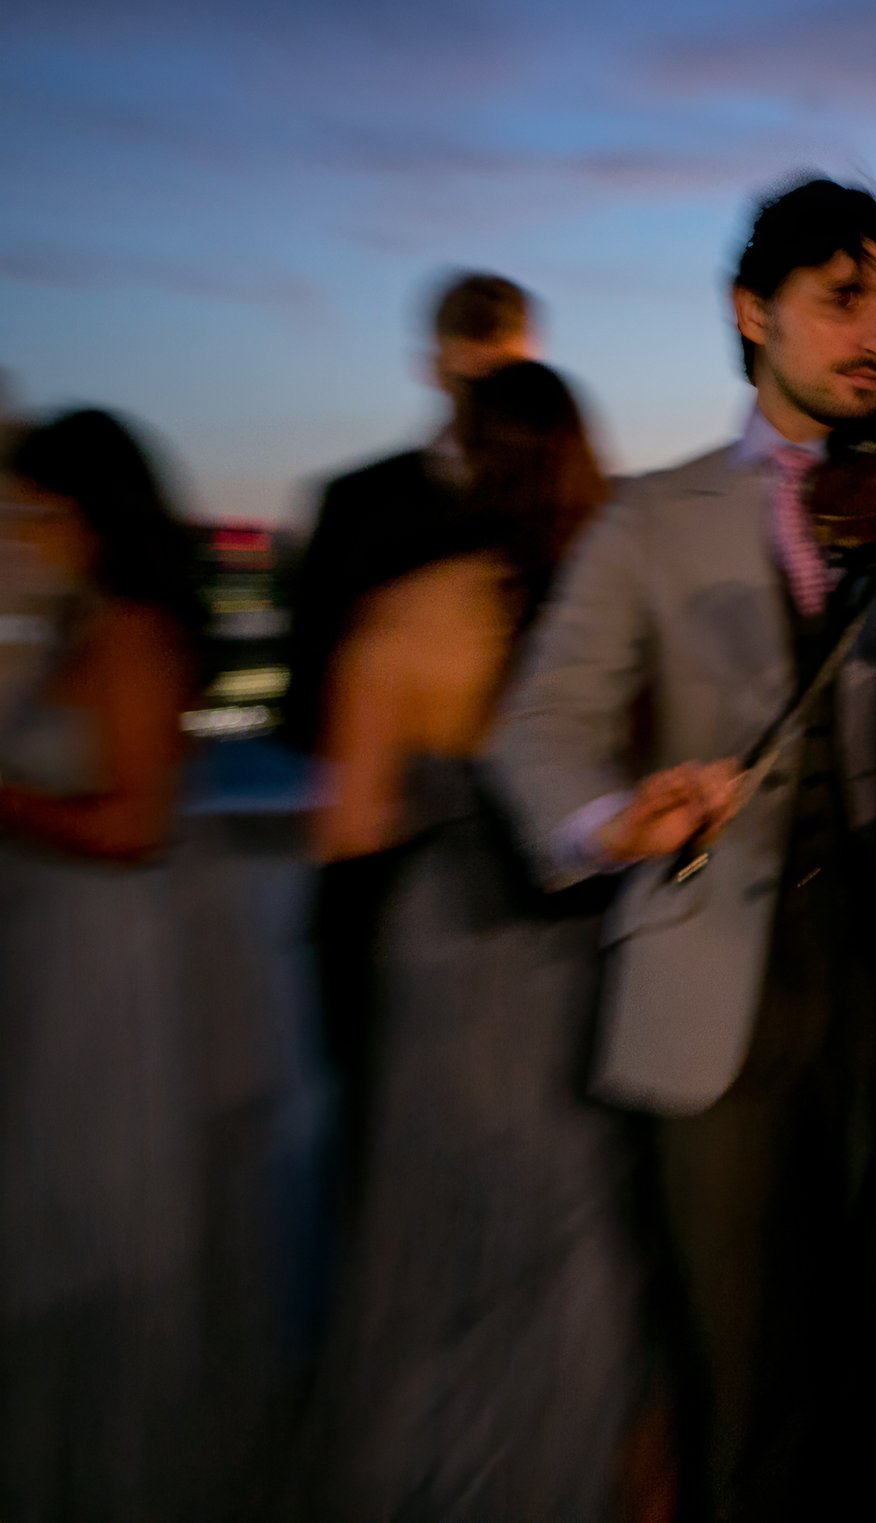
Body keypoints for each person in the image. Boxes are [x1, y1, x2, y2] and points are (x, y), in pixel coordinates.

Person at [490, 175, 876, 1520]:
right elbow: (536, 730)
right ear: (750, 311)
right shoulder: (648, 518)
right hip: (713, 997)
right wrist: (614, 817)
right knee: (743, 1399)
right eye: (845, 298)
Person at [291, 361, 664, 1520]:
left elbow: (347, 843)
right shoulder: (609, 626)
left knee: (428, 1272)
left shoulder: (399, 619)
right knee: (580, 1255)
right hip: (572, 971)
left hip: (437, 977)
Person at [0, 408, 212, 1520]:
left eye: (39, 508)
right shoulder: (78, 623)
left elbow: (136, 823)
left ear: (86, 512)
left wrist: (4, 799)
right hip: (54, 951)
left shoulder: (130, 630)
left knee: (82, 1228)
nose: (26, 528)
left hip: (95, 962)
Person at [291, 271, 536, 1206]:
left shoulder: (564, 507)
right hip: (381, 883)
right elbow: (312, 703)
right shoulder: (357, 503)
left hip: (523, 897)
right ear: (433, 363)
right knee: (378, 1165)